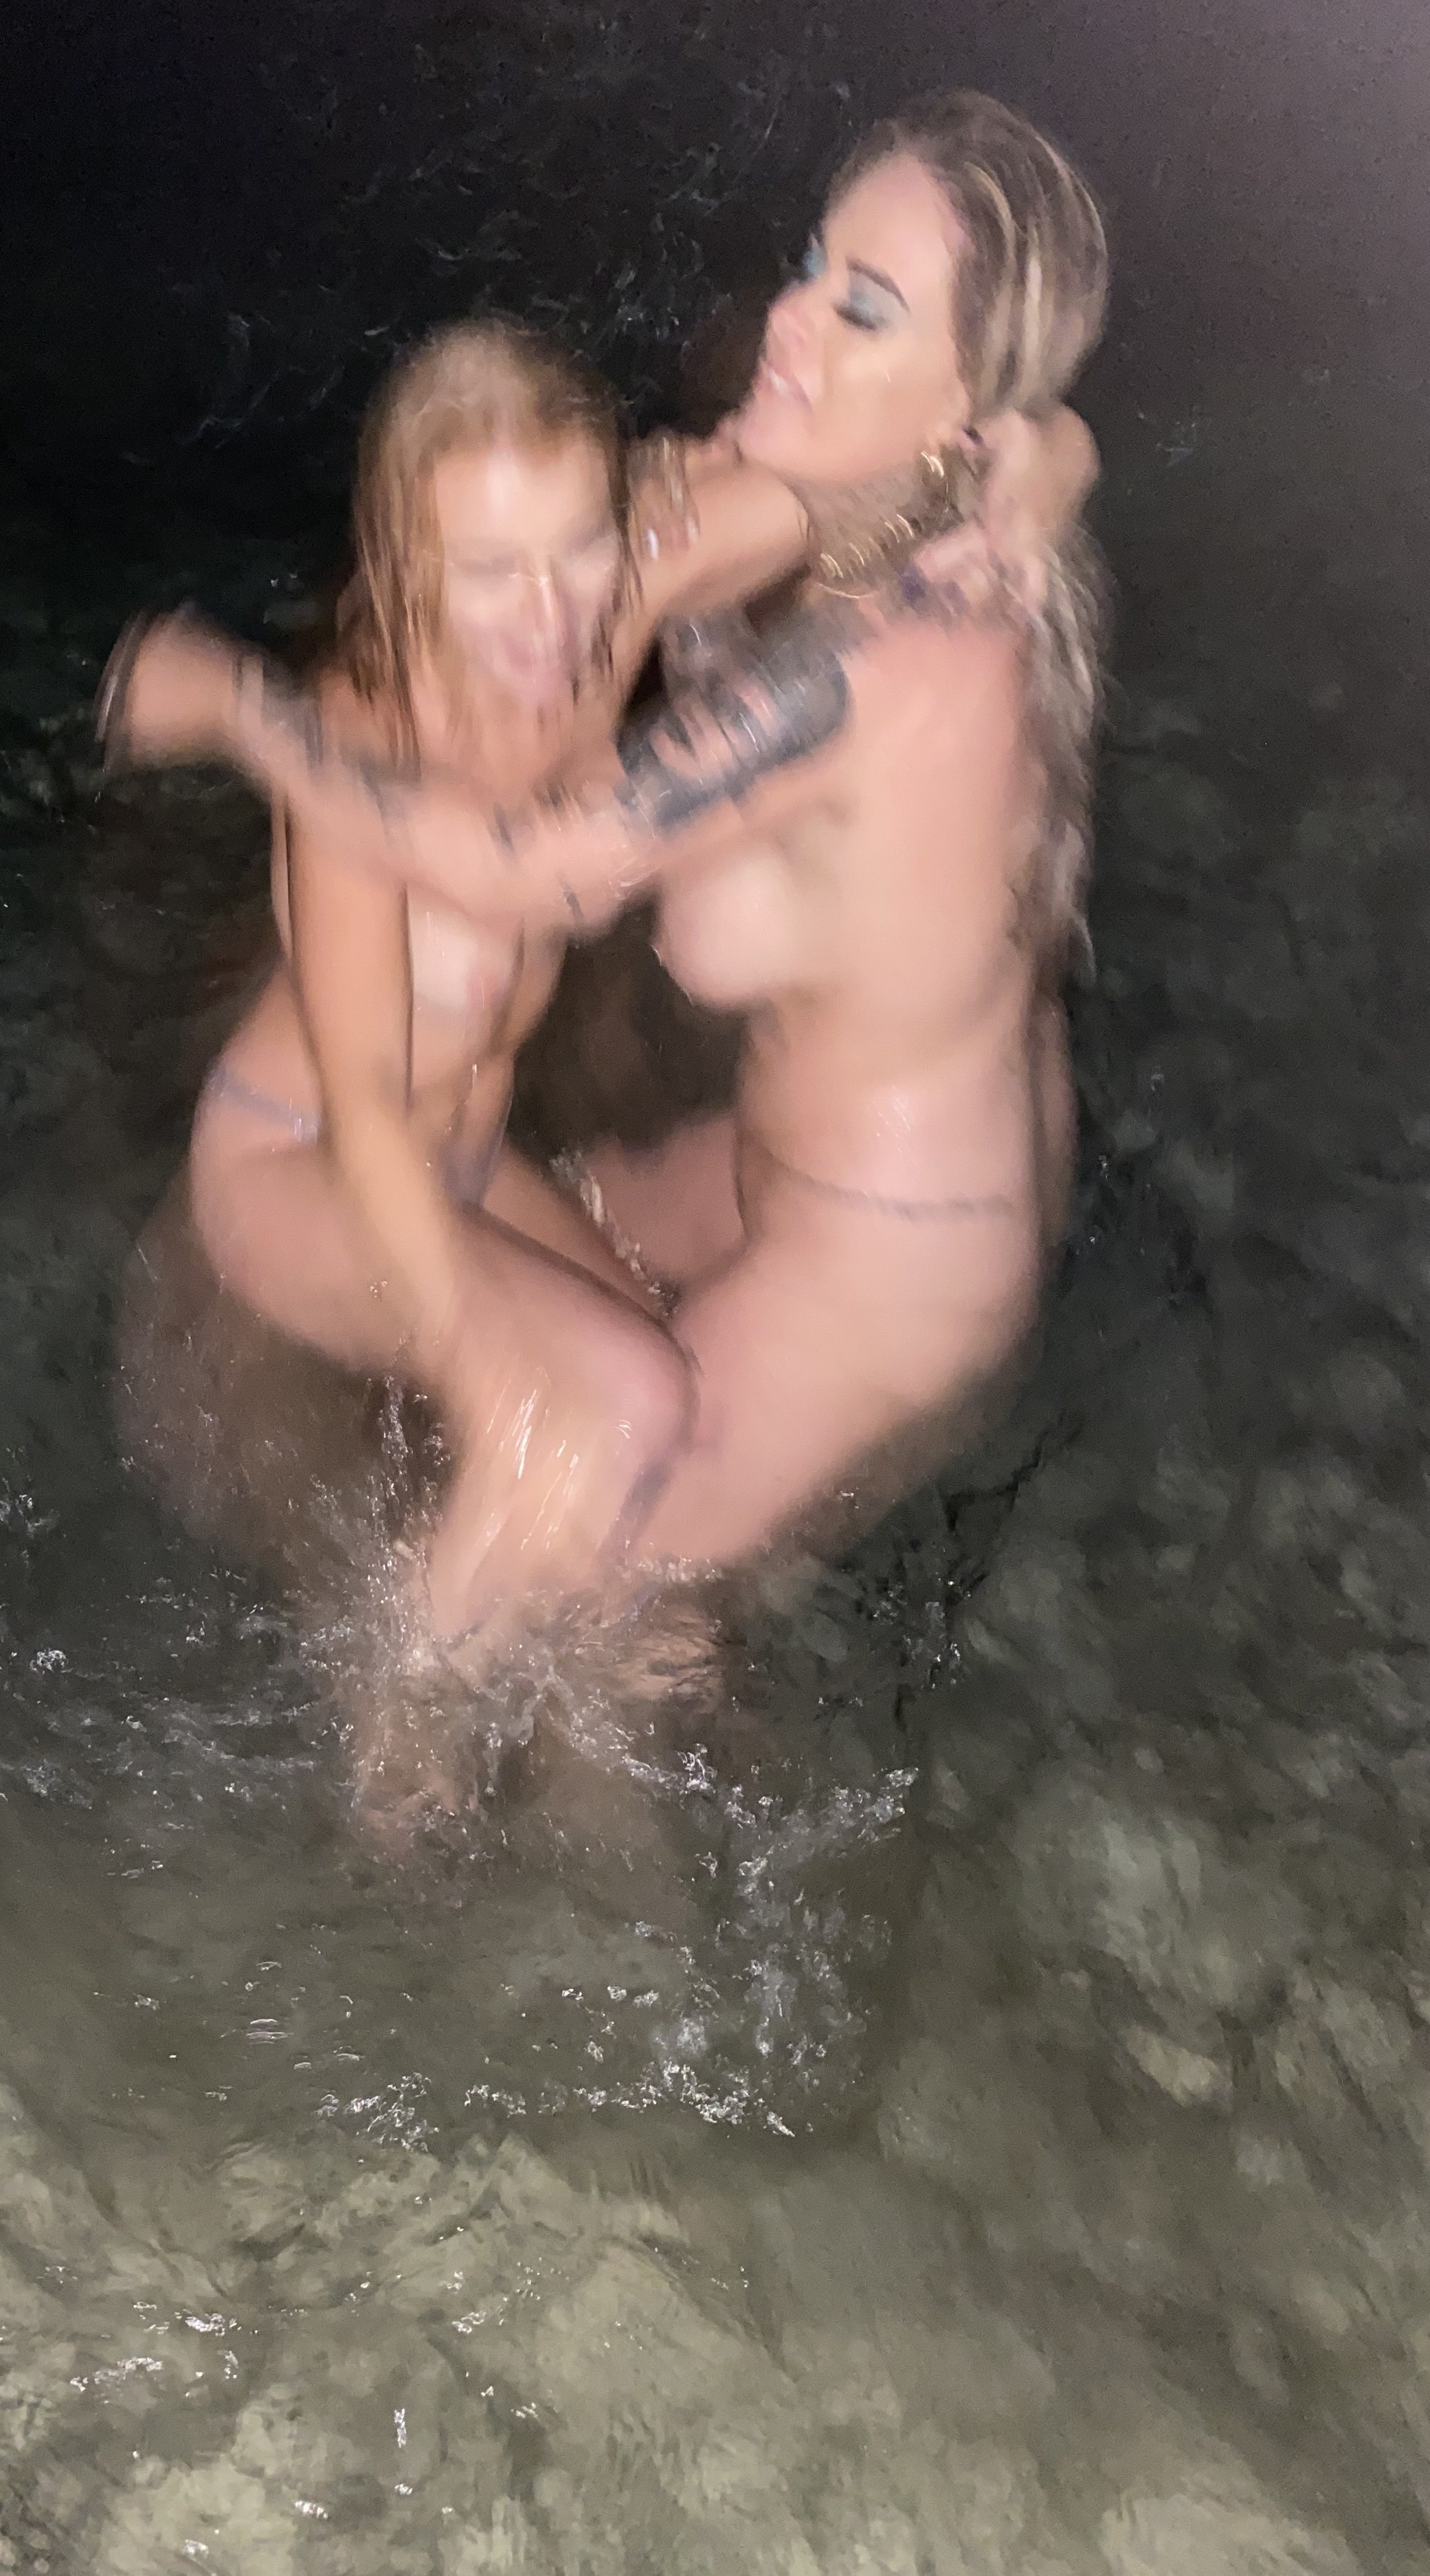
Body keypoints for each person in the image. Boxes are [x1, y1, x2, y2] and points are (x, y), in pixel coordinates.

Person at [102, 93, 1109, 1627]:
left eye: (862, 307)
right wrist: (1051, 453)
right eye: (809, 264)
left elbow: (548, 871)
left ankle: (428, 1763)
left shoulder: (900, 639)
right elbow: (621, 548)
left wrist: (242, 709)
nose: (787, 315)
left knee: (596, 1574)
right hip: (798, 1159)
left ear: (957, 410)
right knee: (584, 1303)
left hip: (894, 1252)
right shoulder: (893, 517)